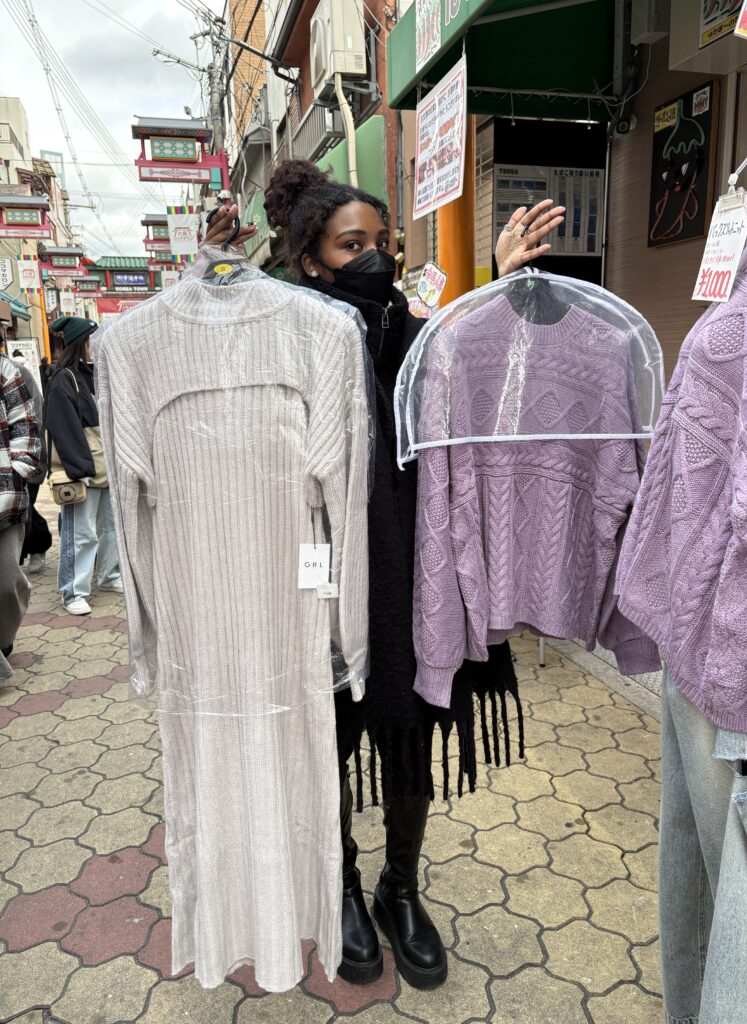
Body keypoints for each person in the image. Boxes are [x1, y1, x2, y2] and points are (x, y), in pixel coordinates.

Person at [205, 163, 564, 990]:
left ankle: (402, 888)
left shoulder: (413, 328)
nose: (373, 257)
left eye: (382, 243)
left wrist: (496, 284)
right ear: (309, 259)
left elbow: (471, 371)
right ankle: (342, 887)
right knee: (327, 743)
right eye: (351, 244)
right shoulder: (283, 336)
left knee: (409, 735)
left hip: (413, 568)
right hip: (315, 581)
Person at [45, 315, 122, 616]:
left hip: (105, 466)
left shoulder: (97, 375)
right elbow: (63, 428)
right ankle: (73, 590)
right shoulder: (64, 379)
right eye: (92, 340)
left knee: (110, 529)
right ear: (81, 343)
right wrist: (81, 469)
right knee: (82, 533)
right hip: (85, 470)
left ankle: (109, 576)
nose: (98, 345)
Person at [0, 351, 41, 679]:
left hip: (4, 498)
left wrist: (18, 471)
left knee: (8, 584)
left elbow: (25, 424)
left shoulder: (5, 369)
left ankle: (4, 638)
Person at [9, 350, 51, 574]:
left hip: (26, 457)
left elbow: (36, 413)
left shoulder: (19, 372)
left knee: (25, 508)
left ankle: (38, 546)